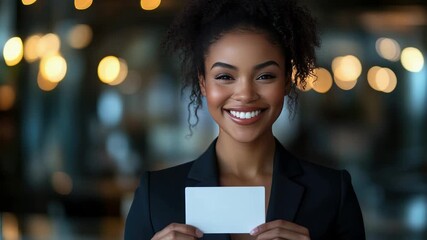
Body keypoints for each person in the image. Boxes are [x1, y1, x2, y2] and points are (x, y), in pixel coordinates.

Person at [124, 0, 366, 239]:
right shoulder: (155, 196)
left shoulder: (333, 193)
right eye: (225, 76)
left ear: (287, 82)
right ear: (203, 83)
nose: (245, 95)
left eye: (265, 76)